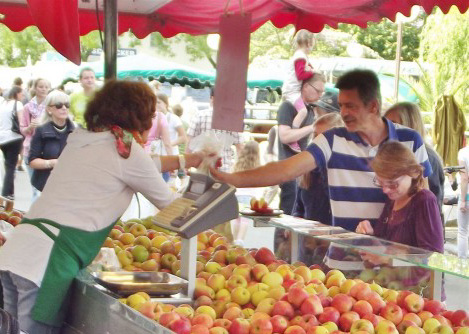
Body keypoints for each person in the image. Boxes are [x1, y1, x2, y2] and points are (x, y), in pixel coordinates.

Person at [0, 80, 205, 334]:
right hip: (45, 262)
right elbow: (172, 207)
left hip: (15, 252)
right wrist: (208, 200)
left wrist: (186, 160)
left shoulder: (83, 139)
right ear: (139, 115)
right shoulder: (127, 153)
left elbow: (142, 164)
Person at [211, 69, 432, 232]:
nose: (343, 113)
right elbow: (285, 170)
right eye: (341, 105)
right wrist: (232, 179)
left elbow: (424, 200)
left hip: (391, 266)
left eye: (351, 106)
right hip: (341, 267)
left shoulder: (410, 140)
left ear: (373, 106)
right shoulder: (331, 140)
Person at [384, 102, 445, 219]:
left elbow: (429, 202)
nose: (389, 129)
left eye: (394, 124)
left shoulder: (427, 157)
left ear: (409, 124)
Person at [277, 73, 326, 215]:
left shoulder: (310, 110)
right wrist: (312, 127)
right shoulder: (288, 106)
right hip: (288, 170)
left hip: (301, 170)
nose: (319, 95)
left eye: (321, 92)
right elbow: (284, 136)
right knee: (287, 214)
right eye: (317, 91)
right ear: (305, 86)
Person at [292, 113, 344, 224]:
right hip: (308, 236)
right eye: (315, 136)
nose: (317, 142)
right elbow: (298, 209)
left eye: (323, 137)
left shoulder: (342, 174)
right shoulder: (307, 171)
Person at [186, 87, 244, 173]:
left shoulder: (199, 116)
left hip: (202, 167)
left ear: (212, 98)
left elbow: (189, 144)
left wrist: (186, 166)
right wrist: (239, 170)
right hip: (224, 168)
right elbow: (240, 147)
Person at [28, 90, 75, 193]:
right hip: (45, 186)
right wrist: (51, 163)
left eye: (66, 105)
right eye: (58, 105)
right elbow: (32, 161)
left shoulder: (76, 130)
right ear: (49, 109)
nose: (63, 108)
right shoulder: (41, 130)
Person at [281, 29, 316, 152]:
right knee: (303, 111)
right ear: (309, 42)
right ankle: (293, 137)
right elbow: (300, 74)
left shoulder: (301, 56)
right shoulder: (300, 57)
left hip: (293, 90)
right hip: (292, 91)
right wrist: (312, 72)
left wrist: (311, 69)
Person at [20, 78, 51, 200]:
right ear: (35, 88)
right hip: (31, 149)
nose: (43, 89)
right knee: (35, 188)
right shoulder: (27, 107)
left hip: (48, 150)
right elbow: (22, 129)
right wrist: (29, 127)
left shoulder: (52, 107)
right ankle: (35, 216)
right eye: (40, 86)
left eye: (46, 87)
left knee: (48, 188)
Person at [231, 140, 263, 246]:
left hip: (237, 195)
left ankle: (235, 240)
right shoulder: (257, 167)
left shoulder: (238, 164)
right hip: (249, 196)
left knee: (237, 219)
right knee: (244, 220)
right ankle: (240, 241)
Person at [0, 86, 25, 203]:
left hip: (2, 138)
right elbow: (21, 121)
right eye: (22, 94)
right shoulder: (17, 104)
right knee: (11, 167)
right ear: (17, 94)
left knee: (8, 165)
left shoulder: (3, 104)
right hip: (14, 137)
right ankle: (5, 193)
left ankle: (10, 192)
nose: (23, 96)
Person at [457, 145, 469, 259]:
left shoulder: (463, 153)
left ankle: (462, 262)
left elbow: (464, 178)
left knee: (462, 231)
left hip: (468, 195)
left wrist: (463, 200)